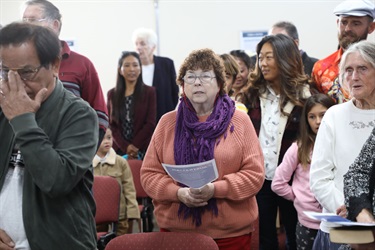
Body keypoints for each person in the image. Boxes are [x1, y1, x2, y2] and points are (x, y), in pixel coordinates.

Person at [140, 48, 265, 250]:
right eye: (190, 77)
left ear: (220, 84)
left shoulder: (239, 121)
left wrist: (215, 189)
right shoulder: (167, 123)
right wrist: (178, 193)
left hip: (229, 234)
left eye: (205, 76)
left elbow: (254, 175)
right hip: (177, 233)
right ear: (182, 85)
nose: (197, 83)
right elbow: (149, 175)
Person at [0, 22, 98, 250]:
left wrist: (22, 120)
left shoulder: (79, 114)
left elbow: (56, 181)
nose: (15, 83)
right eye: (5, 71)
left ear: (54, 65)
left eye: (26, 72)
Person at [240, 34, 311, 250]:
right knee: (265, 238)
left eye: (269, 57)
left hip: (292, 179)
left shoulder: (305, 97)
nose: (263, 63)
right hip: (260, 177)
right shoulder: (251, 94)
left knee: (294, 236)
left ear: (285, 58)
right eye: (260, 57)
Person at [310, 40, 375, 249]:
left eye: (362, 69)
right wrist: (350, 206)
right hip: (339, 227)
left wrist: (365, 210)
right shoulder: (334, 115)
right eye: (348, 70)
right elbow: (319, 177)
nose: (354, 77)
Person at [22, 0, 109, 145]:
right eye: (24, 20)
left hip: (70, 150)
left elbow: (100, 115)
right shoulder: (17, 64)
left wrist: (83, 153)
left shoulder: (82, 64)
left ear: (54, 25)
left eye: (33, 20)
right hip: (25, 148)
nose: (26, 26)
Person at [271, 94, 335, 250]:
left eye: (323, 115)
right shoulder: (299, 148)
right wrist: (298, 197)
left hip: (334, 221)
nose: (318, 121)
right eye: (312, 117)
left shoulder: (339, 144)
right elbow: (278, 183)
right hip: (308, 223)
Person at [311, 0, 375, 104]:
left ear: (371, 27)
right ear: (337, 23)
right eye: (343, 22)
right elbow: (317, 111)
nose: (347, 29)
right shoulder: (321, 68)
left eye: (356, 23)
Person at [107, 51, 156, 160]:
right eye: (127, 65)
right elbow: (112, 125)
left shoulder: (149, 92)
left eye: (135, 65)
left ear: (140, 69)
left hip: (143, 149)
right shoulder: (112, 94)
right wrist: (126, 147)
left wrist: (135, 146)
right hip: (120, 150)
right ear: (120, 70)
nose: (132, 69)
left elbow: (150, 123)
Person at [93, 128, 140, 235]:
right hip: (96, 214)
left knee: (121, 243)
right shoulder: (88, 164)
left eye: (109, 138)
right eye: (102, 138)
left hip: (120, 214)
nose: (106, 141)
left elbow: (129, 189)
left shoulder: (121, 162)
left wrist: (133, 212)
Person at [132, 27, 179, 122]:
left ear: (153, 47)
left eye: (142, 44)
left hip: (163, 118)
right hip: (138, 122)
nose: (138, 47)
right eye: (136, 44)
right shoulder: (132, 67)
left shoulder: (166, 64)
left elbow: (175, 92)